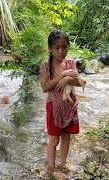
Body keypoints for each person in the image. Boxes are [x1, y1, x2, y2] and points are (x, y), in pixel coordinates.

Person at [40, 29, 83, 176]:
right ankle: (51, 168)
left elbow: (80, 82)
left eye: (64, 47)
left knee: (66, 136)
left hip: (69, 106)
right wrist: (61, 76)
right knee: (53, 140)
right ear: (50, 49)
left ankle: (64, 163)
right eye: (57, 48)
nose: (61, 51)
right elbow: (45, 87)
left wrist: (68, 79)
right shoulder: (46, 65)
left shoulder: (70, 63)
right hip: (54, 107)